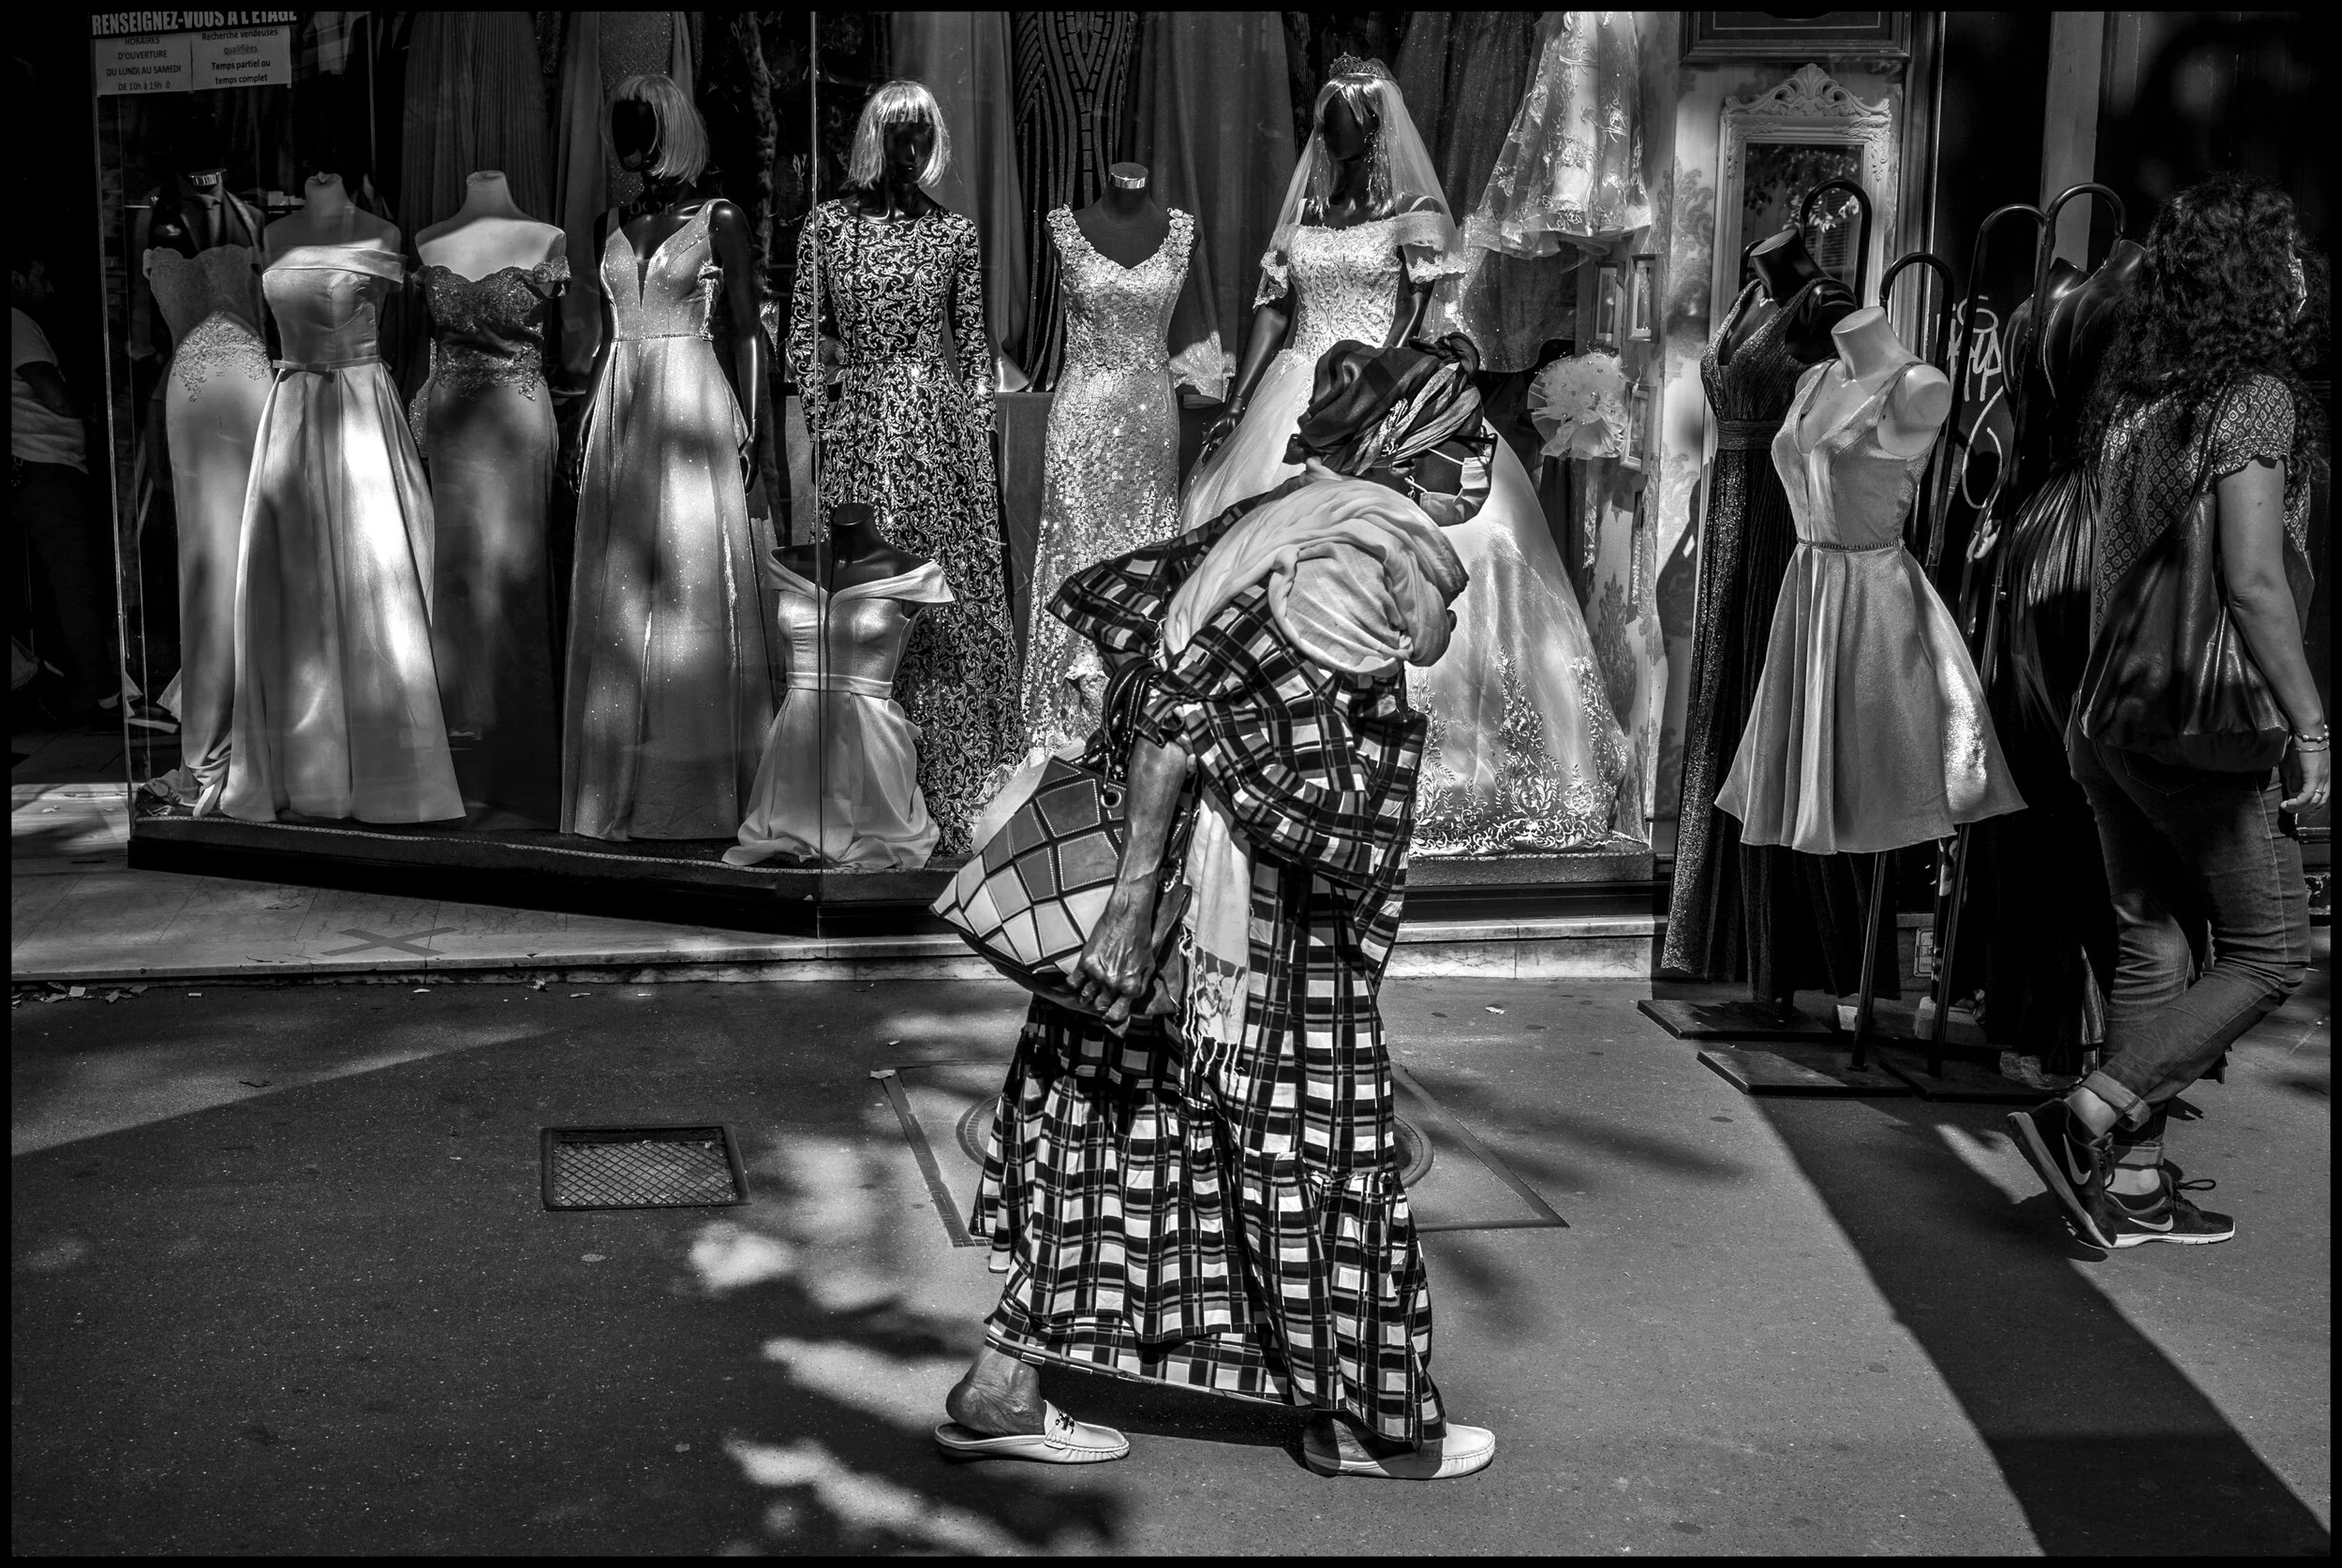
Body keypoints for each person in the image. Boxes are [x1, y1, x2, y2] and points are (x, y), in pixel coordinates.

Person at [938, 336, 1499, 1480]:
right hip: (1242, 925)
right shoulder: (1351, 553)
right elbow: (1183, 714)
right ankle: (1368, 1419)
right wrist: (1133, 905)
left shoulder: (1296, 520)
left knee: (1110, 1123)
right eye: (1460, 440)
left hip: (1200, 909)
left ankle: (1006, 1381)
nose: (1484, 459)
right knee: (1323, 1143)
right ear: (1400, 450)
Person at [2008, 175, 2325, 1250]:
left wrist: (2090, 717)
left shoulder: (2137, 406)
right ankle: (2090, 1113)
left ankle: (2132, 1188)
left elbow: (2110, 578)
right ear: (2247, 273)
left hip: (2112, 718)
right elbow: (2252, 580)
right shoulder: (2252, 399)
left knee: (2150, 943)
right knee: (2272, 950)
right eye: (2279, 253)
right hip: (2201, 724)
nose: (2296, 272)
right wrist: (2313, 725)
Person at [11, 254, 118, 730]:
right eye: (42, 275)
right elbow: (51, 393)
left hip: (38, 466)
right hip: (44, 465)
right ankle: (97, 695)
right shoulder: (15, 322)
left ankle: (70, 683)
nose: (49, 287)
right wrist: (89, 408)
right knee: (75, 582)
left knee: (64, 582)